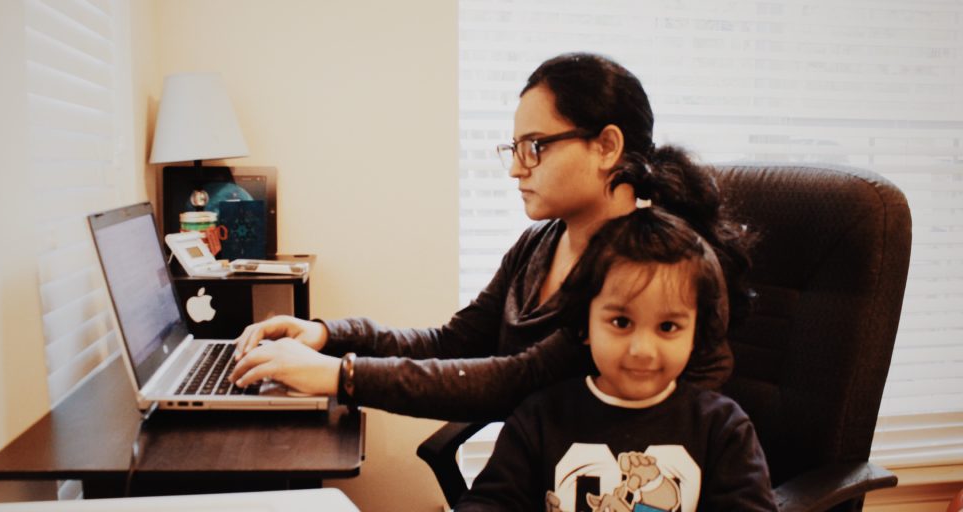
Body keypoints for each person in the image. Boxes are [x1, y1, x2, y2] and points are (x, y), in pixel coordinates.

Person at [228, 52, 752, 421]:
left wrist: (340, 376)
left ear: (606, 146)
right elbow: (452, 344)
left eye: (536, 146)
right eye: (515, 148)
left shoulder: (647, 269)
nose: (517, 169)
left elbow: (515, 382)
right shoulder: (543, 243)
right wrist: (328, 334)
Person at [456, 207, 776, 512]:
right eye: (621, 322)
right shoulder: (539, 418)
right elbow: (491, 501)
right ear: (585, 324)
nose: (642, 349)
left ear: (696, 333)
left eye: (668, 327)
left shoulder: (722, 429)